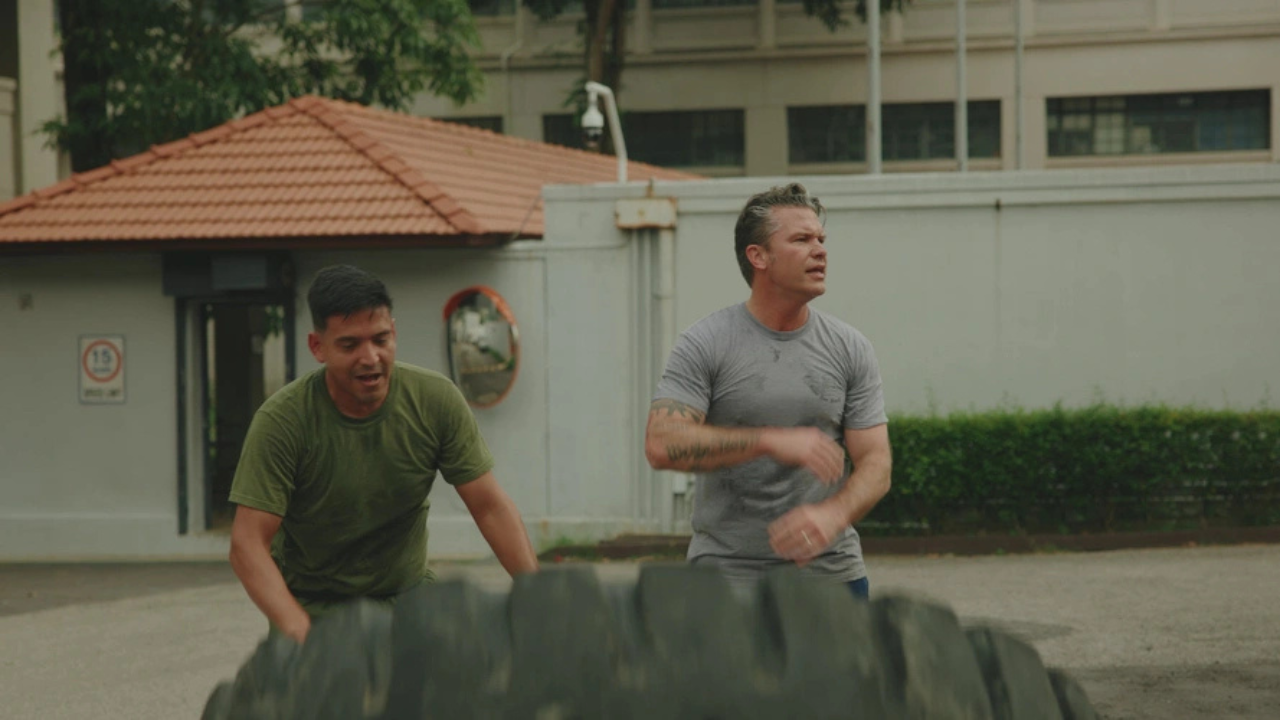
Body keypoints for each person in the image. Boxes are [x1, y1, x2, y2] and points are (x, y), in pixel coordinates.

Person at [228, 265, 539, 642]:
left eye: (380, 339)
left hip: (408, 598)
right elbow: (248, 544)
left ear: (394, 332)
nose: (370, 357)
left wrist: (538, 598)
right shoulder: (283, 422)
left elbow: (489, 506)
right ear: (317, 347)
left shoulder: (435, 401)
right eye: (349, 344)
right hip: (314, 607)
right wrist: (299, 631)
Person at [644, 183, 892, 597]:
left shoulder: (850, 347)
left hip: (832, 578)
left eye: (821, 239)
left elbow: (877, 464)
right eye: (801, 239)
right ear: (758, 256)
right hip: (725, 580)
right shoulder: (705, 342)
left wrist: (833, 515)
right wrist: (771, 441)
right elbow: (662, 444)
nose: (820, 250)